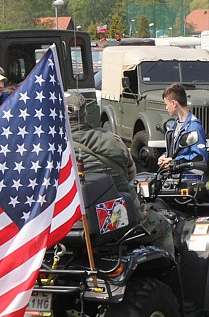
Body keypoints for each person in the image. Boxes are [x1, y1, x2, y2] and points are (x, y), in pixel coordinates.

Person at [66, 93, 173, 253]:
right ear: (86, 114)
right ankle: (167, 274)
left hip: (66, 224)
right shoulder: (112, 140)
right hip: (117, 218)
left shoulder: (48, 148)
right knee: (163, 226)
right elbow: (131, 175)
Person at [157, 83, 208, 180]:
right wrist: (164, 157)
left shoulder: (194, 127)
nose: (166, 107)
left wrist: (174, 162)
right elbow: (174, 152)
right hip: (175, 178)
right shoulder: (174, 125)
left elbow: (200, 158)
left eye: (166, 104)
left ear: (174, 103)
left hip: (190, 179)